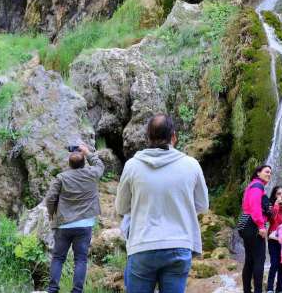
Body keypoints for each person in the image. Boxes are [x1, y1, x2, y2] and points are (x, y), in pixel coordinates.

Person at [115, 114, 209, 293]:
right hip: (179, 244)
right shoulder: (192, 165)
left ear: (148, 138)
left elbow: (121, 207)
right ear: (174, 136)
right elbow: (202, 205)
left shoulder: (132, 166)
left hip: (142, 245)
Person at [44, 144, 105, 293]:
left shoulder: (61, 178)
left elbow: (50, 198)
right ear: (84, 162)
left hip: (64, 224)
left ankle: (52, 289)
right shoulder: (92, 173)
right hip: (84, 225)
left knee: (58, 258)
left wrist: (52, 213)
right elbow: (99, 165)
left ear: (69, 164)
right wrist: (88, 152)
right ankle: (77, 291)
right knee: (81, 259)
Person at [241, 164, 272, 293]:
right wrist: (261, 226)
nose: (269, 174)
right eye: (266, 171)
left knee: (250, 259)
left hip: (246, 224)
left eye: (270, 172)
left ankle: (247, 290)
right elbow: (255, 207)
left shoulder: (253, 185)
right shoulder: (257, 186)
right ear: (258, 173)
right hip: (252, 225)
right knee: (259, 259)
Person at [267, 186, 282, 293]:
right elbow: (271, 218)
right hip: (273, 238)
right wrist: (276, 206)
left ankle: (279, 289)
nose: (281, 196)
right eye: (278, 194)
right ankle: (270, 288)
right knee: (274, 263)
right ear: (275, 195)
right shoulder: (271, 206)